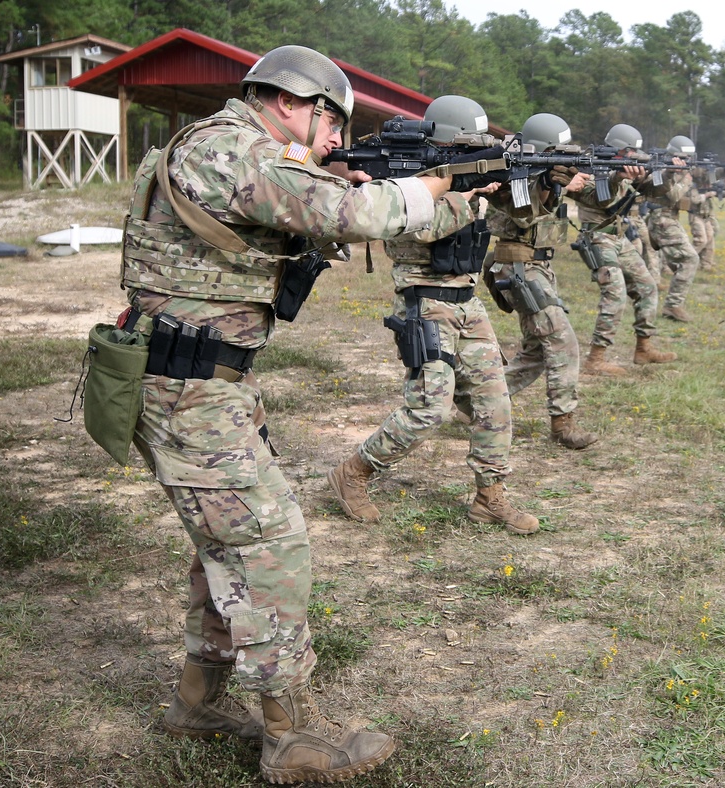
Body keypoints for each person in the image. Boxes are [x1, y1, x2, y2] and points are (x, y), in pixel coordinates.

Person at [116, 45, 486, 785]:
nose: (333, 142)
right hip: (189, 391)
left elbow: (305, 212)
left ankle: (198, 700)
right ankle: (291, 734)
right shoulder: (227, 148)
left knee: (226, 548)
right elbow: (346, 211)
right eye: (331, 124)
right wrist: (429, 189)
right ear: (294, 101)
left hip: (205, 385)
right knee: (270, 546)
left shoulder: (233, 151)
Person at [327, 95, 539, 537]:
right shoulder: (405, 177)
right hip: (426, 304)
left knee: (494, 402)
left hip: (467, 301)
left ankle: (489, 495)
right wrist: (471, 195)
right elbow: (421, 228)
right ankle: (354, 472)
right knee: (430, 409)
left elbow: (516, 217)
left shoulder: (462, 181)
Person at [484, 113, 599, 450]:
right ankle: (563, 425)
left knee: (535, 352)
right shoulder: (511, 173)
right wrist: (550, 185)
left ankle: (468, 403)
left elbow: (600, 197)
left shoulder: (545, 175)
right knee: (562, 341)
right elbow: (523, 212)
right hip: (518, 267)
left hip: (536, 267)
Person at [567, 123, 677, 372]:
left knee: (647, 287)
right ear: (619, 151)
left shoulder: (624, 169)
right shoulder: (590, 168)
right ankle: (596, 358)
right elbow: (600, 199)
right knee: (615, 294)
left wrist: (666, 172)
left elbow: (654, 191)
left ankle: (643, 348)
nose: (634, 158)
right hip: (596, 237)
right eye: (630, 153)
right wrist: (618, 177)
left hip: (618, 237)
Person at [644, 135, 702, 323]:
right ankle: (673, 305)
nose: (686, 162)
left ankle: (664, 302)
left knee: (676, 260)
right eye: (684, 158)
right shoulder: (662, 169)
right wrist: (685, 177)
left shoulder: (675, 169)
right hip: (662, 221)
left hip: (666, 220)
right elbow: (673, 196)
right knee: (690, 258)